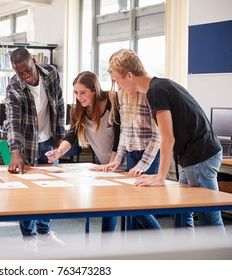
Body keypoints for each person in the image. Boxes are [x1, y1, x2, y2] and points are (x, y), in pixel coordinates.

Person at [107, 49, 224, 228]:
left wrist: (160, 176)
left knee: (209, 217)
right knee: (182, 213)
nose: (118, 87)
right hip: (192, 156)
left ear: (129, 75)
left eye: (118, 81)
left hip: (200, 155)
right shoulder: (160, 85)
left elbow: (167, 137)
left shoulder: (156, 92)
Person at [5, 48, 66, 252]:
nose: (25, 76)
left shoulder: (50, 74)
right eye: (20, 72)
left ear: (34, 61)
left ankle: (44, 232)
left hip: (48, 140)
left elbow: (59, 103)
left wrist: (60, 137)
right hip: (27, 144)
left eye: (28, 70)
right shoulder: (14, 85)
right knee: (27, 194)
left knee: (48, 190)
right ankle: (28, 237)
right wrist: (14, 152)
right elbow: (12, 120)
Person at [45, 71, 120, 232]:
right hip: (105, 165)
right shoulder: (80, 110)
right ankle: (106, 247)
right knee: (108, 207)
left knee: (138, 212)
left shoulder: (113, 102)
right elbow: (71, 135)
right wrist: (58, 152)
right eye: (76, 93)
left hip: (122, 161)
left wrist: (113, 164)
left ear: (94, 90)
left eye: (83, 92)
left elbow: (120, 137)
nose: (79, 97)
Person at [97, 88, 162, 230]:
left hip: (149, 153)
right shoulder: (121, 95)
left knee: (143, 208)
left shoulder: (149, 94)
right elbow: (124, 130)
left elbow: (158, 136)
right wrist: (118, 158)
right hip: (132, 153)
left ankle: (159, 245)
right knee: (133, 207)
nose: (117, 86)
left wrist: (142, 165)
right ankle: (133, 250)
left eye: (118, 80)